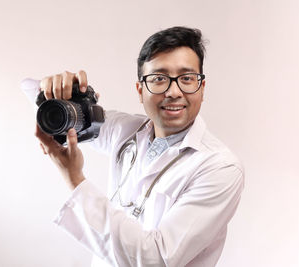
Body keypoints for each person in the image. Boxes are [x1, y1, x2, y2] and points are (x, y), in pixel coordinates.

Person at [27, 26, 244, 267]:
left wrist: (74, 179)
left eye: (186, 79)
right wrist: (60, 90)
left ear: (202, 88)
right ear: (140, 91)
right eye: (159, 79)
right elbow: (39, 99)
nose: (174, 92)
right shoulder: (127, 130)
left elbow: (155, 259)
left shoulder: (220, 167)